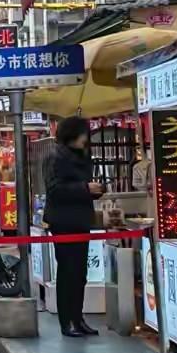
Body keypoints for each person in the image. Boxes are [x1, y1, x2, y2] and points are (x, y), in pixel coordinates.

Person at [43, 116, 103, 338]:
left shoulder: (82, 156)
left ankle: (78, 318)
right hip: (63, 221)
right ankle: (66, 321)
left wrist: (97, 189)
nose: (86, 139)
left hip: (81, 219)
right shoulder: (54, 156)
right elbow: (55, 190)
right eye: (83, 134)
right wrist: (86, 188)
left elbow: (83, 186)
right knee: (67, 272)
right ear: (72, 135)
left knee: (80, 273)